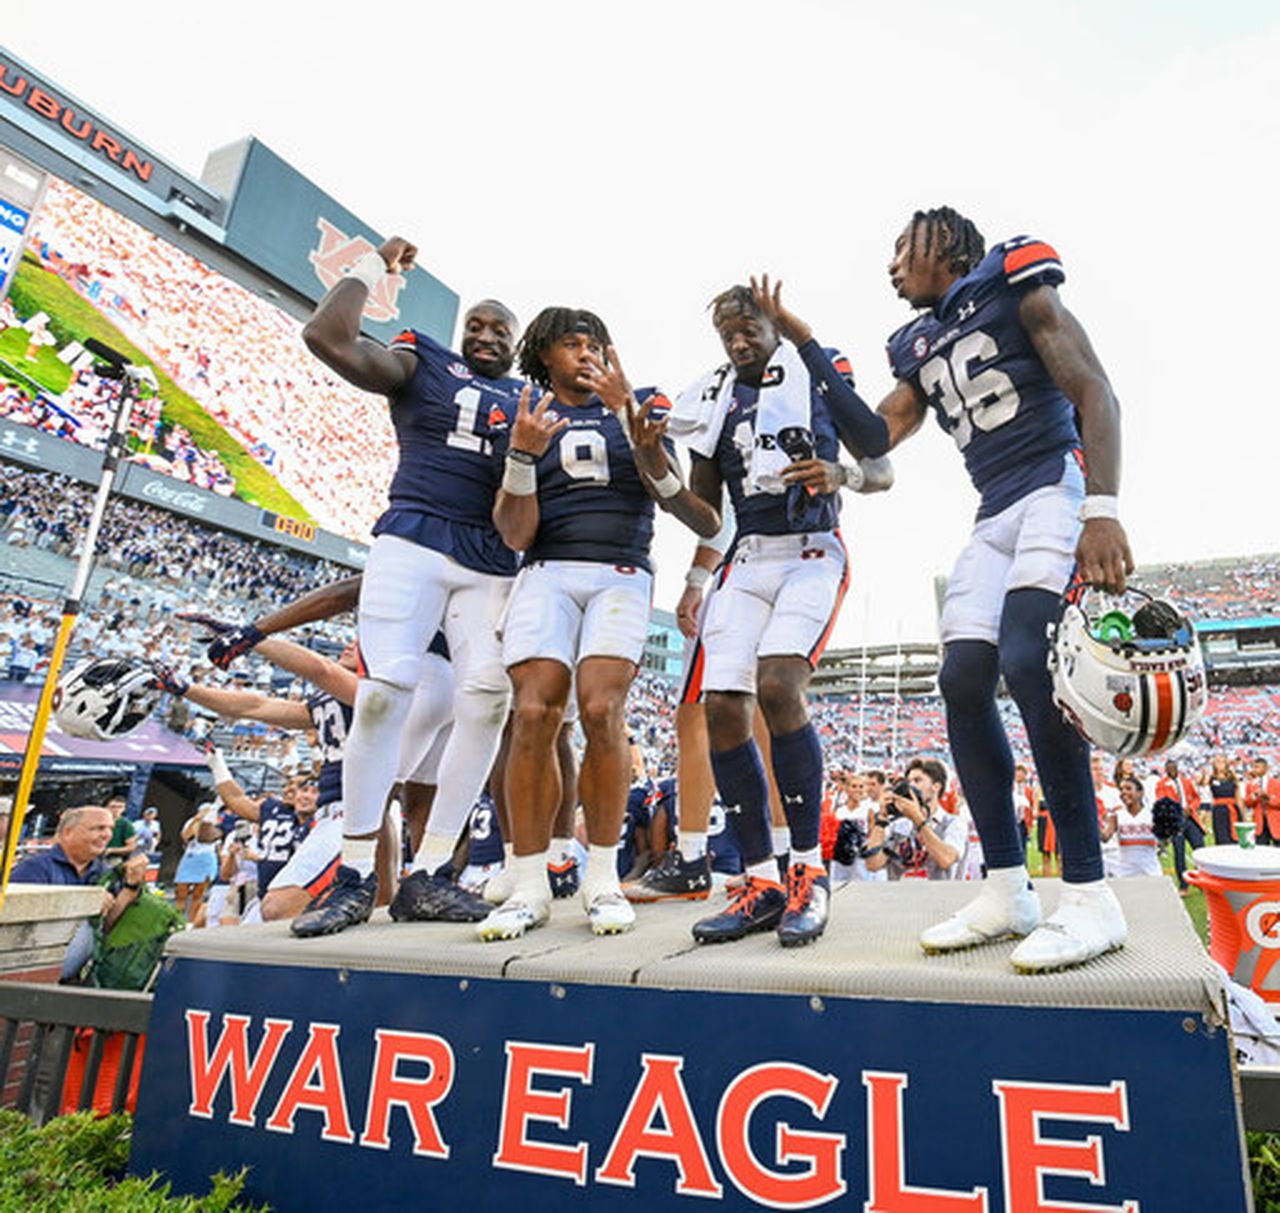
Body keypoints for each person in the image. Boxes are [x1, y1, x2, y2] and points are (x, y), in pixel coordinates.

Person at [780, 208, 1133, 970]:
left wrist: (1101, 508)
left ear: (944, 244)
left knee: (1029, 664)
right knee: (963, 676)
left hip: (1052, 483)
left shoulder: (1012, 277)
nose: (892, 265)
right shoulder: (915, 342)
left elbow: (1094, 388)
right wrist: (807, 344)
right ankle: (1008, 886)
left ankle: (1091, 895)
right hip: (995, 508)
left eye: (901, 248)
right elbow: (875, 440)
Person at [297, 235, 524, 934]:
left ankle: (427, 872)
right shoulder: (424, 361)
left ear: (518, 346)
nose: (484, 335)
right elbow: (328, 337)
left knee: (487, 699)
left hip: (490, 557)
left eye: (499, 329)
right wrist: (373, 267)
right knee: (380, 695)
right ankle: (356, 873)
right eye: (475, 326)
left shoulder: (531, 397)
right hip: (413, 537)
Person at [478, 307, 718, 940]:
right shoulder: (526, 410)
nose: (586, 354)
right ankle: (529, 880)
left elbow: (681, 503)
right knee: (532, 714)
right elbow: (514, 533)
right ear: (544, 353)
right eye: (571, 343)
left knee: (602, 710)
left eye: (595, 344)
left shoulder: (639, 402)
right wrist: (523, 456)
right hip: (548, 568)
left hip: (620, 568)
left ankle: (603, 877)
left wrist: (631, 425)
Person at [676, 281, 890, 948]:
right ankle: (761, 879)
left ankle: (808, 868)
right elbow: (707, 512)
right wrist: (657, 466)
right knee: (721, 705)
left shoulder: (814, 371)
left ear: (772, 326)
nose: (739, 340)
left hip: (811, 550)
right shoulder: (713, 398)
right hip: (748, 555)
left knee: (776, 686)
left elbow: (879, 459)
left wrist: (840, 474)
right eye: (727, 333)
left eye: (749, 328)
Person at [885, 759, 966, 882]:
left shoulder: (954, 823)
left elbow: (946, 860)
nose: (911, 786)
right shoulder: (898, 824)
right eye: (909, 781)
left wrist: (918, 819)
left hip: (941, 898)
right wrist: (880, 820)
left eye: (917, 780)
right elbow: (873, 865)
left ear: (936, 786)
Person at [1157, 757, 1205, 893]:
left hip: (1191, 819)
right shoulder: (1162, 784)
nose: (1172, 770)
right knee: (1179, 852)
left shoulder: (1186, 782)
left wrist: (1191, 807)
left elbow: (1197, 798)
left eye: (1174, 767)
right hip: (1175, 821)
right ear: (1165, 770)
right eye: (1169, 768)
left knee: (1200, 849)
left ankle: (1201, 881)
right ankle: (1184, 886)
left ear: (1177, 768)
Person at [1100, 775, 1161, 878]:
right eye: (1121, 789)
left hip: (1151, 873)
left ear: (1140, 793)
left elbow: (1164, 841)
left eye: (1128, 788)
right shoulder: (1116, 817)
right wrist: (1092, 820)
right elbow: (1105, 837)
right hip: (1125, 875)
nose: (1123, 792)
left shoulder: (1153, 815)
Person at [1206, 754, 1242, 846]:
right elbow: (1202, 783)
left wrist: (1243, 816)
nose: (1220, 764)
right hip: (1219, 811)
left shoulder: (1233, 778)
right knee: (1221, 838)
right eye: (1218, 761)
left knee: (1234, 838)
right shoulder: (1211, 778)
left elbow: (1239, 798)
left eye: (1223, 762)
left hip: (1232, 810)